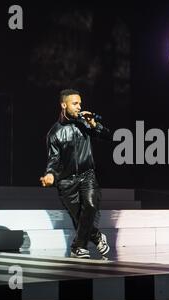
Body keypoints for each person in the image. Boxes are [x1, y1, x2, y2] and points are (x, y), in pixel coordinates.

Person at [40, 89, 112, 259]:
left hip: (88, 175)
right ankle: (97, 237)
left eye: (80, 103)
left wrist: (94, 124)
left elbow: (108, 136)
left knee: (91, 206)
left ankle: (77, 247)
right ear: (64, 105)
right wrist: (50, 174)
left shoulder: (84, 124)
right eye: (75, 103)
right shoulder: (54, 133)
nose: (79, 107)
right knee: (80, 218)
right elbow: (53, 159)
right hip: (66, 182)